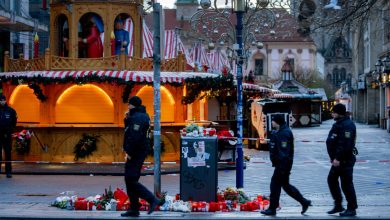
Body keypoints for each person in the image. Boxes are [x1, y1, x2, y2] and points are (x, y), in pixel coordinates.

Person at [261, 114, 311, 216]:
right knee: (286, 186)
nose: (272, 122)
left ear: (277, 122)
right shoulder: (281, 131)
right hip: (283, 164)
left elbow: (284, 152)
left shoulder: (284, 133)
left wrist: (282, 166)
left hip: (282, 165)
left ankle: (272, 208)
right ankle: (304, 202)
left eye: (273, 121)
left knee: (274, 185)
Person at [121, 96, 161, 217]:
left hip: (136, 152)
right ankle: (134, 208)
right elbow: (131, 131)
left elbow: (135, 136)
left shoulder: (138, 117)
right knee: (130, 179)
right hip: (139, 151)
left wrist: (129, 152)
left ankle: (152, 199)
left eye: (128, 104)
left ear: (131, 105)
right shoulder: (140, 115)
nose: (127, 106)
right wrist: (127, 119)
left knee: (130, 179)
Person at [326, 103, 358, 217]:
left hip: (344, 160)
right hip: (337, 160)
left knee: (346, 184)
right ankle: (338, 204)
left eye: (333, 112)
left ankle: (352, 208)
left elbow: (346, 144)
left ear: (339, 113)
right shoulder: (339, 123)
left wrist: (337, 158)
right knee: (331, 180)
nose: (332, 113)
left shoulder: (347, 125)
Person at [0, 94, 17, 178]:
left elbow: (14, 122)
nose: (1, 101)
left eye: (3, 100)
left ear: (5, 100)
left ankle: (8, 171)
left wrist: (9, 130)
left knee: (8, 153)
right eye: (0, 100)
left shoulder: (11, 111)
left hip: (7, 135)